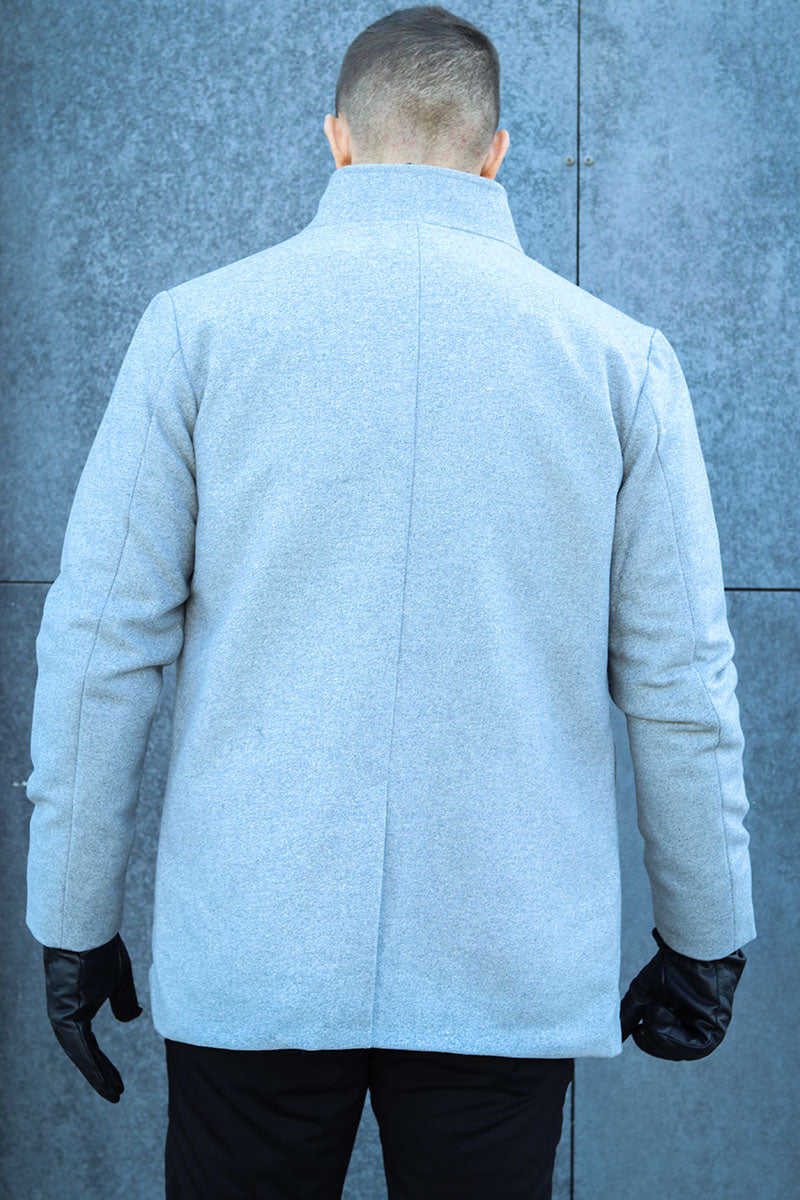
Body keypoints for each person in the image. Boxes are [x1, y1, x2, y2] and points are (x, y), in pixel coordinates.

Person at [25, 5, 755, 1198]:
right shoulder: (617, 362)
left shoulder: (199, 332)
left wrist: (72, 912)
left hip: (257, 947)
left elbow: (100, 648)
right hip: (503, 960)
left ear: (336, 139)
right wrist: (703, 936)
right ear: (494, 153)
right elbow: (681, 687)